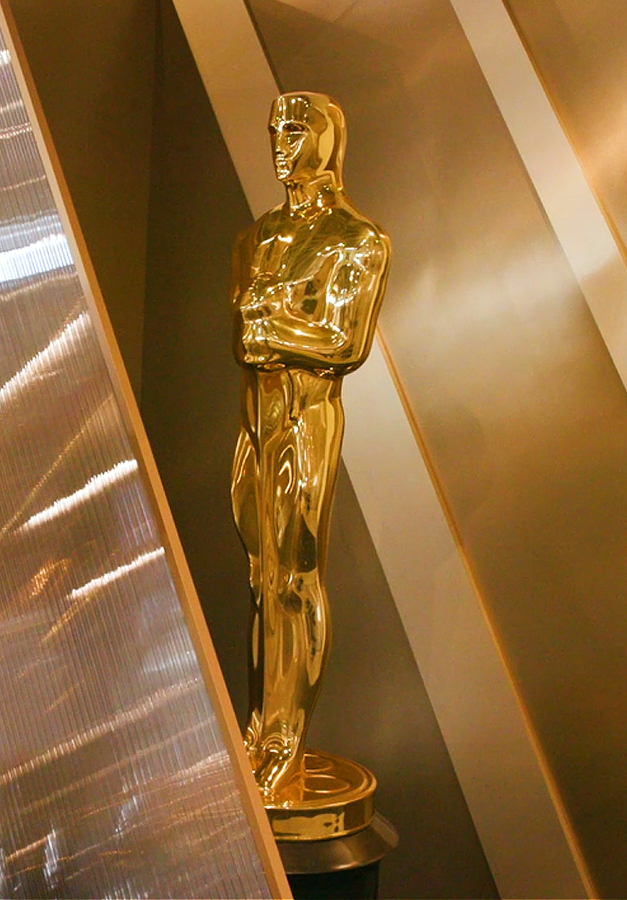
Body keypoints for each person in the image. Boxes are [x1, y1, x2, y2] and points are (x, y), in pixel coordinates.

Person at [229, 92, 390, 801]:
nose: (281, 144)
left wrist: (272, 325)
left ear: (327, 140)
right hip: (256, 421)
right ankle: (261, 727)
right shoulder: (256, 237)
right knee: (261, 577)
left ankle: (289, 742)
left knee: (295, 579)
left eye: (295, 130)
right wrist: (272, 327)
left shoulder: (359, 240)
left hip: (306, 420)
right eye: (274, 131)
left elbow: (344, 344)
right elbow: (247, 334)